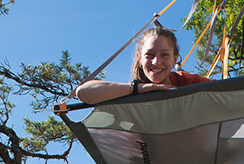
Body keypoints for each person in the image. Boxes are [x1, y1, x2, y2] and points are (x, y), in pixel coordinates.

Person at [74, 25, 211, 105]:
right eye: (149, 55)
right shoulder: (131, 91)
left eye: (164, 55)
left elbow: (229, 94)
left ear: (175, 58)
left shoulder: (186, 81)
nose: (156, 62)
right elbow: (83, 92)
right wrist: (139, 89)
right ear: (139, 58)